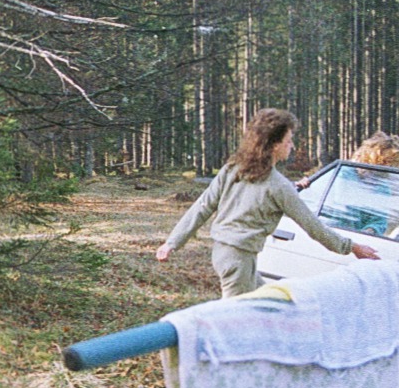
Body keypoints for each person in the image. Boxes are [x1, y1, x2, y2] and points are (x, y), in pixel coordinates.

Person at [155, 108, 380, 297]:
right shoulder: (276, 185)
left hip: (228, 254)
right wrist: (352, 247)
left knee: (272, 304)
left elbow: (204, 205)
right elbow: (313, 226)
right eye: (288, 141)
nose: (291, 146)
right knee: (234, 322)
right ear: (274, 145)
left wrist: (172, 243)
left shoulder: (235, 170)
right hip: (238, 260)